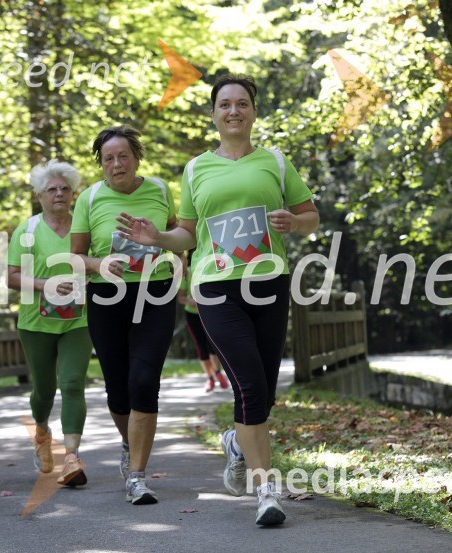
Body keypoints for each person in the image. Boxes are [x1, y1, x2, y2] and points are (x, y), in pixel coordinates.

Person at [116, 74, 319, 525]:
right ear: (214, 113)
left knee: (262, 392)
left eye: (242, 103)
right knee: (248, 384)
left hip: (268, 282)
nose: (233, 111)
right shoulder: (196, 169)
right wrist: (158, 237)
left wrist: (293, 221)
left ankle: (234, 442)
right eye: (224, 104)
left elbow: (311, 216)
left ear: (253, 111)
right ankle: (266, 492)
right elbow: (187, 232)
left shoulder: (276, 162)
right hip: (216, 286)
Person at [71, 125, 178, 505]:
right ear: (101, 165)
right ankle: (126, 440)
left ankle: (137, 475)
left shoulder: (161, 190)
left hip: (156, 291)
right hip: (106, 296)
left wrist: (175, 259)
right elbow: (75, 256)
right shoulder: (89, 198)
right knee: (117, 386)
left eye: (123, 156)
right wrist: (99, 264)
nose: (116, 164)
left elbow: (178, 237)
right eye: (108, 159)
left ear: (136, 158)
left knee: (144, 379)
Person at [7, 160, 92, 487]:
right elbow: (11, 277)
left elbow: (97, 264)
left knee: (72, 383)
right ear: (40, 196)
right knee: (44, 389)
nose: (59, 193)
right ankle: (42, 433)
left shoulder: (83, 228)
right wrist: (45, 285)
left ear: (73, 194)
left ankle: (71, 457)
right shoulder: (26, 232)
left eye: (65, 189)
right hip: (36, 322)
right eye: (51, 189)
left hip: (79, 320)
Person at [178, 251, 229, 393]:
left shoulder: (211, 269)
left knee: (213, 344)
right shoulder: (186, 273)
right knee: (201, 346)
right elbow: (180, 298)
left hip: (211, 313)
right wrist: (191, 301)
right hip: (193, 315)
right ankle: (210, 378)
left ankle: (218, 373)